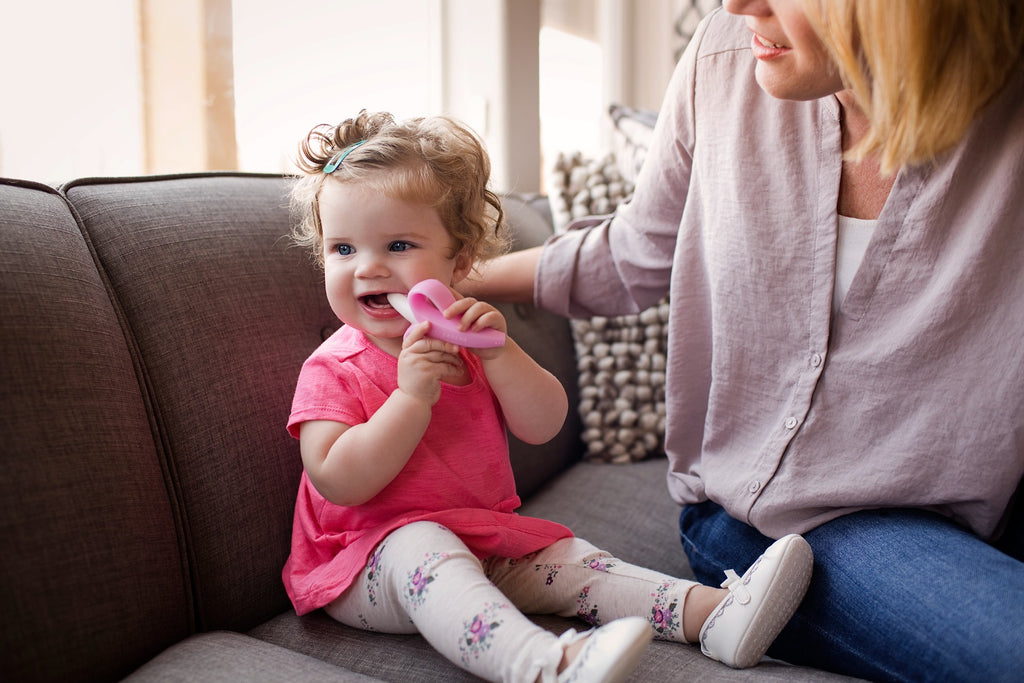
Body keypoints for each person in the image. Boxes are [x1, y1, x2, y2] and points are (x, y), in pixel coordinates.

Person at [464, 0, 1024, 680]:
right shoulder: (725, 56)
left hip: (987, 503)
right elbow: (635, 253)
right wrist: (458, 277)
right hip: (783, 522)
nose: (734, 3)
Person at [282, 110, 815, 683]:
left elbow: (544, 423)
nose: (369, 268)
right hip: (363, 564)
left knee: (574, 562)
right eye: (342, 250)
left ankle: (712, 615)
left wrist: (499, 353)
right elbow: (338, 479)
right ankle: (542, 665)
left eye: (398, 244)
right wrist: (410, 399)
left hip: (483, 544)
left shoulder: (466, 348)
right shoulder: (333, 367)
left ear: (458, 264)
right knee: (423, 542)